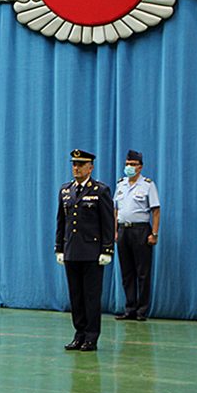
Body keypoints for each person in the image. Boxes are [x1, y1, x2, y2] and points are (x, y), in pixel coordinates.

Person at [55, 149, 114, 352]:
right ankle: (79, 334)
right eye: (74, 164)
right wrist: (59, 247)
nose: (76, 168)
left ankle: (91, 336)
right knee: (76, 296)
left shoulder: (100, 190)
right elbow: (61, 222)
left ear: (90, 167)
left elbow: (107, 222)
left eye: (80, 165)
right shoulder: (65, 190)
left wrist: (107, 249)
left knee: (91, 296)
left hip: (91, 253)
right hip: (72, 251)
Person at [114, 149, 161, 321]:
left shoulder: (148, 185)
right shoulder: (121, 184)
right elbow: (115, 209)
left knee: (142, 272)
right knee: (127, 273)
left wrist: (154, 233)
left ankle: (142, 310)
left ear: (140, 167)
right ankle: (130, 308)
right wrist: (115, 230)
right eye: (127, 164)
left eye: (133, 165)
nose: (129, 167)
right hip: (123, 230)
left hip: (141, 231)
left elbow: (156, 211)